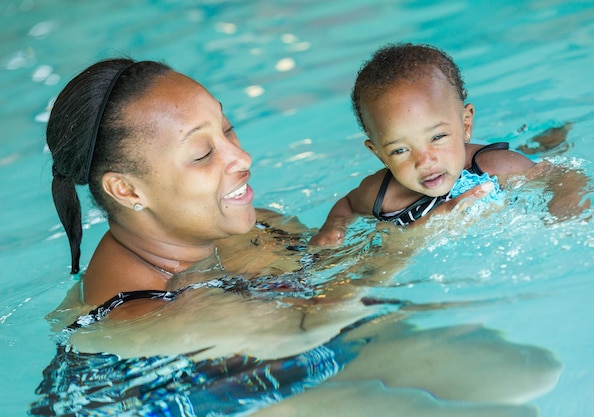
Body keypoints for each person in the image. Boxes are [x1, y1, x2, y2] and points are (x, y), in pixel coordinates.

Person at [35, 57, 561, 416]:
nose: (241, 159)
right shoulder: (135, 313)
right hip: (190, 401)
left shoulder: (247, 222)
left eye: (228, 129)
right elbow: (301, 329)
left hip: (282, 359)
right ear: (127, 189)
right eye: (203, 154)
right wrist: (409, 243)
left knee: (530, 373)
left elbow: (331, 281)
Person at [310, 43, 591, 247]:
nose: (424, 160)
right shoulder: (380, 195)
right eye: (400, 150)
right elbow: (347, 204)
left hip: (493, 166)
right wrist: (333, 226)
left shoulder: (495, 167)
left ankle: (548, 141)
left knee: (532, 156)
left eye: (437, 137)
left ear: (465, 125)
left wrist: (565, 209)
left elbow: (563, 176)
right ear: (379, 153)